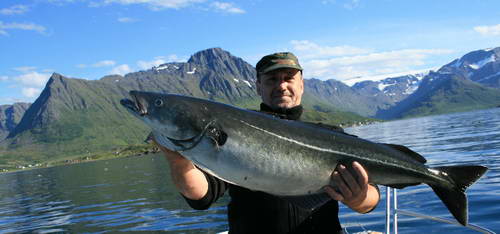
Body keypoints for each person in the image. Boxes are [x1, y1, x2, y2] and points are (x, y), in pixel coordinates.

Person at [155, 52, 380, 233]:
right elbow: (201, 196)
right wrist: (178, 161)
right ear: (258, 87)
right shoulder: (234, 130)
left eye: (288, 78)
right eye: (272, 79)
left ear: (302, 84)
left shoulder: (332, 135)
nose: (281, 86)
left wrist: (359, 199)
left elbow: (371, 198)